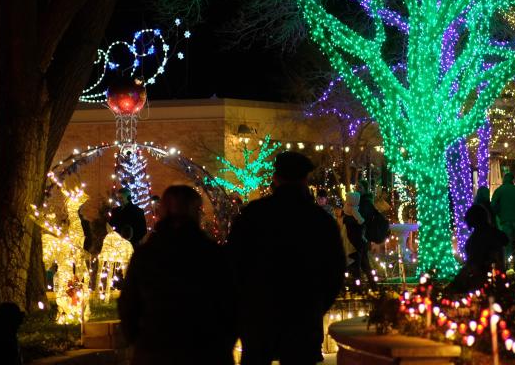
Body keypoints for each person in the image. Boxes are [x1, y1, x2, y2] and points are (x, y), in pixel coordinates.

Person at [228, 152, 346, 365]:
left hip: (259, 315)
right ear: (305, 179)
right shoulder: (319, 220)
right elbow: (335, 271)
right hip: (303, 314)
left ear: (276, 178)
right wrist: (316, 304)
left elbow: (234, 263)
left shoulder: (254, 214)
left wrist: (245, 304)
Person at [118, 185, 235, 365]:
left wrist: (139, 340)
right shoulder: (213, 254)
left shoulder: (147, 255)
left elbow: (128, 305)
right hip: (206, 349)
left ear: (163, 211)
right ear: (196, 211)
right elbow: (231, 304)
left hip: (155, 349)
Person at [453, 203, 508, 291]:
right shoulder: (495, 233)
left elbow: (473, 264)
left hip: (481, 282)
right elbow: (505, 240)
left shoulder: (476, 239)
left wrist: (456, 282)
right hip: (499, 279)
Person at [491, 173, 515, 268]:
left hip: (506, 222)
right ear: (512, 180)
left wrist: (499, 214)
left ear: (504, 180)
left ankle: (508, 266)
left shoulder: (499, 191)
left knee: (507, 244)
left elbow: (493, 206)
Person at [342, 192, 368, 277]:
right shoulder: (354, 210)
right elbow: (360, 220)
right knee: (357, 259)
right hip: (354, 239)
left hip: (347, 236)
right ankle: (357, 279)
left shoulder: (346, 208)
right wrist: (362, 222)